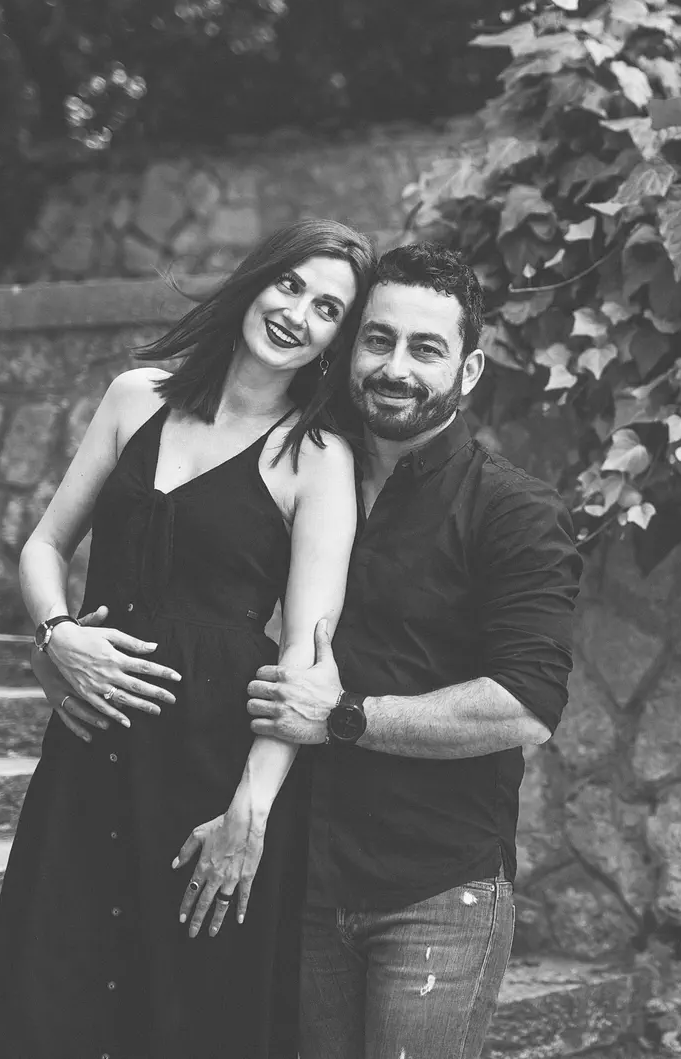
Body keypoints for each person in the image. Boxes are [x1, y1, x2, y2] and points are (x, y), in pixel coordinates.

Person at [0, 220, 375, 1059]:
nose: (298, 313)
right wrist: (56, 636)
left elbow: (304, 654)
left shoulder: (318, 456)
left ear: (337, 339)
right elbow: (44, 546)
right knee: (48, 996)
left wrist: (249, 810)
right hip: (88, 747)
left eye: (328, 308)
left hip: (210, 771)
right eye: (291, 284)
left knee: (184, 1015)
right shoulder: (133, 397)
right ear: (256, 278)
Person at [244, 242, 582, 1059]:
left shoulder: (515, 511)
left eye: (425, 348)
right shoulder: (297, 474)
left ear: (468, 371)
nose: (395, 368)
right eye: (379, 339)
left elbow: (526, 706)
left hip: (436, 892)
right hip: (302, 878)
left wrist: (345, 717)